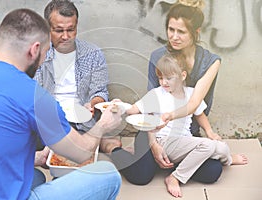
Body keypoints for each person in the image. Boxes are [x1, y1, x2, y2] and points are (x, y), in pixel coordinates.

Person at [0, 8, 122, 200]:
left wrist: (36, 158)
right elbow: (81, 153)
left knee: (36, 176)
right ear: (34, 49)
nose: (45, 59)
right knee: (108, 173)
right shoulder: (34, 96)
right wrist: (104, 125)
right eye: (46, 53)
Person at [100, 0, 223, 186]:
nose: (174, 36)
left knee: (213, 172)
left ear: (195, 33)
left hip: (185, 134)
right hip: (154, 129)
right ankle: (111, 147)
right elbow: (151, 106)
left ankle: (172, 164)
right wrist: (154, 145)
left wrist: (208, 133)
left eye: (181, 32)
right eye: (170, 29)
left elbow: (195, 104)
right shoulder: (159, 57)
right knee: (141, 176)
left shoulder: (211, 62)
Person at [128, 53, 248, 198]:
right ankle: (175, 177)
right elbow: (134, 109)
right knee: (208, 146)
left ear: (183, 76)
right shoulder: (156, 95)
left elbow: (200, 114)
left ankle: (228, 158)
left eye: (169, 78)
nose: (163, 82)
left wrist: (209, 132)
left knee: (221, 146)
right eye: (160, 78)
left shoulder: (191, 94)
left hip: (184, 141)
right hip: (165, 141)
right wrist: (119, 106)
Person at [34, 0, 109, 132]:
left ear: (76, 26)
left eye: (71, 29)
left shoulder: (93, 54)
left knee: (79, 146)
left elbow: (100, 91)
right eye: (58, 30)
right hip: (47, 121)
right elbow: (32, 93)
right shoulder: (38, 55)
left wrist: (92, 105)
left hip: (81, 123)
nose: (65, 36)